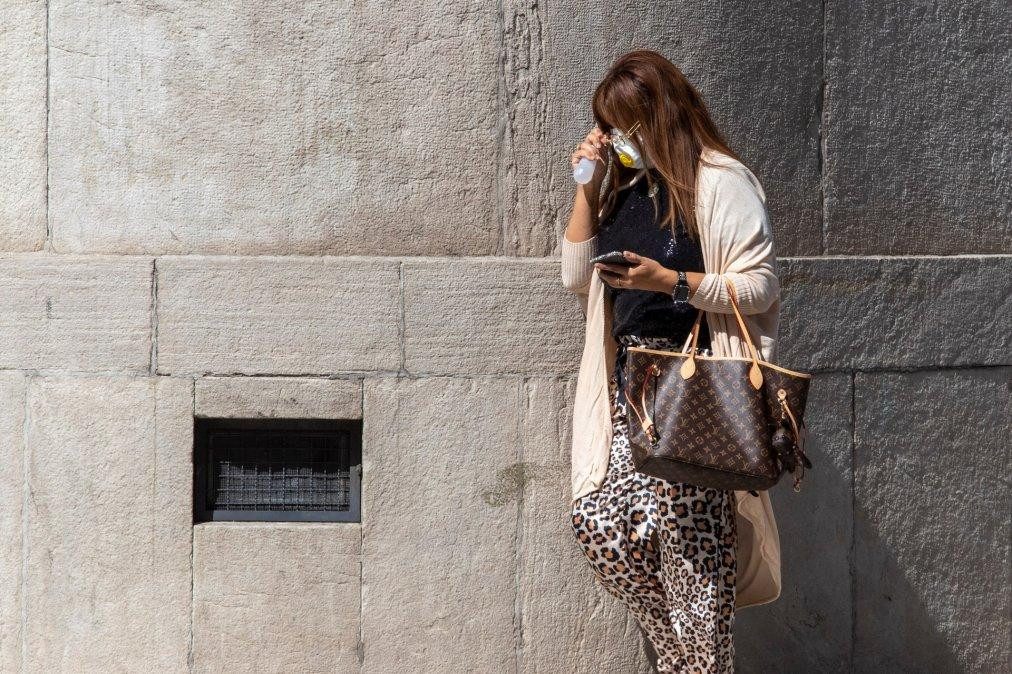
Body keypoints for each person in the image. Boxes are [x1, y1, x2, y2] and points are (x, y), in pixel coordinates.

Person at [562, 49, 783, 673]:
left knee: (693, 560)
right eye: (612, 127)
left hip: (696, 385)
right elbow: (576, 275)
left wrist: (672, 282)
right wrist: (591, 181)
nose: (621, 140)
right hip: (627, 386)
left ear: (660, 116)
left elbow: (759, 285)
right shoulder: (630, 187)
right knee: (601, 528)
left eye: (628, 126)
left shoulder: (720, 180)